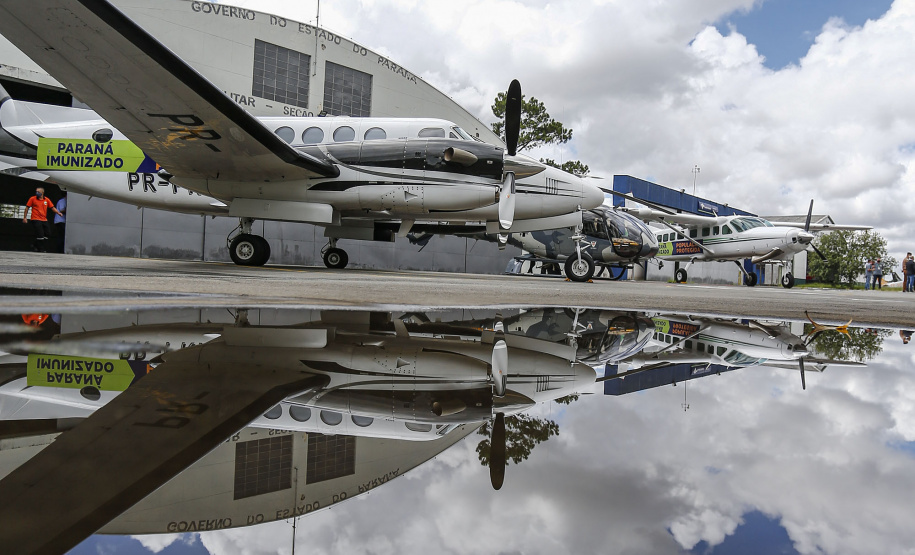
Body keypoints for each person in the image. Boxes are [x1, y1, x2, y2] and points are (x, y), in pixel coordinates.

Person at [23, 187, 62, 252]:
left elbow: (52, 207)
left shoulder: (46, 200)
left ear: (42, 193)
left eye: (38, 192)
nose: (37, 193)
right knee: (40, 234)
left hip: (44, 219)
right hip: (35, 218)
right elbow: (27, 208)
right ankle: (40, 249)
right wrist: (25, 217)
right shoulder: (32, 199)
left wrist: (58, 213)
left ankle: (35, 244)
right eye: (36, 191)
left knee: (48, 234)